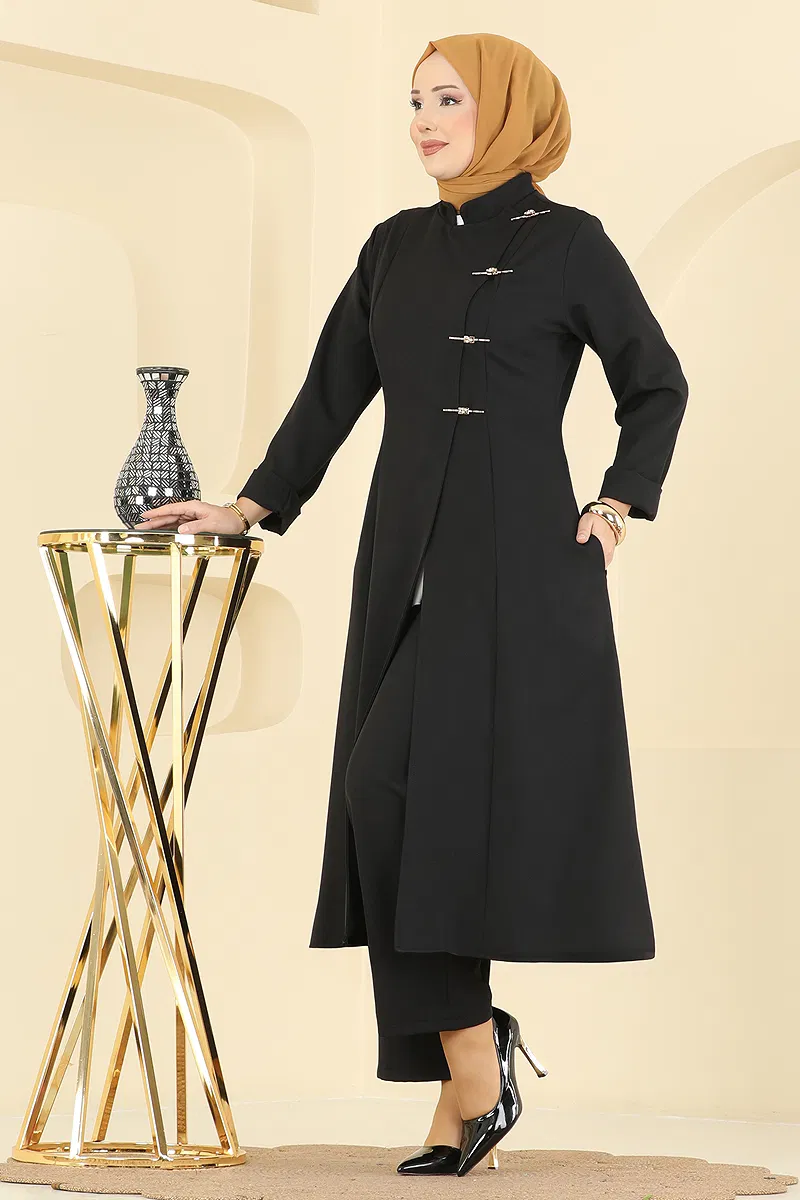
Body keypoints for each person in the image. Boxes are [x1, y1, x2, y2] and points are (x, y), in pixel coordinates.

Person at [134, 32, 689, 1177]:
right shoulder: (392, 248)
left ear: (509, 112)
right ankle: (471, 1062)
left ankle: (467, 1082)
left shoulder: (570, 245)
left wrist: (618, 499)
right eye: (414, 101)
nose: (423, 121)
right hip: (405, 571)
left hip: (524, 579)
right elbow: (330, 392)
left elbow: (655, 381)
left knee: (422, 811)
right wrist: (249, 504)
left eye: (448, 99)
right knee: (387, 802)